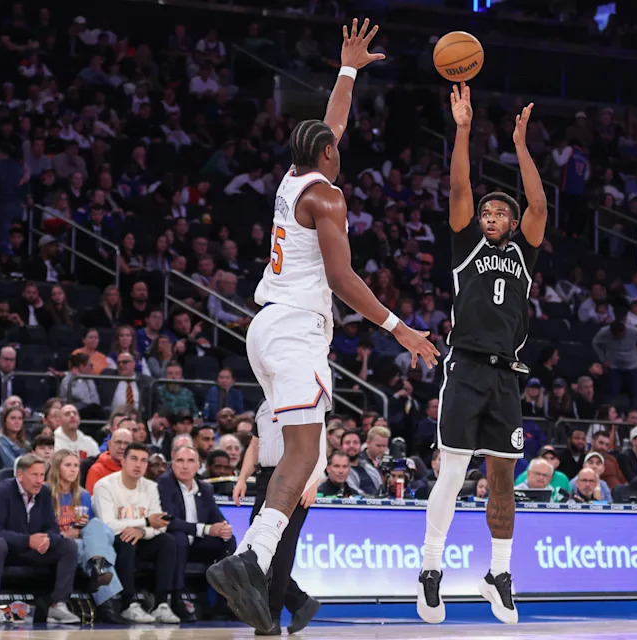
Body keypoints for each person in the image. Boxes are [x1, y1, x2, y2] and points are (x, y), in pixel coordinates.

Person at [207, 20, 437, 635]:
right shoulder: (327, 197)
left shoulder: (294, 179)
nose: (341, 144)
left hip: (266, 327)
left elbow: (330, 124)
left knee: (292, 457)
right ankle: (250, 560)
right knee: (307, 453)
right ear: (328, 156)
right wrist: (402, 329)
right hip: (297, 332)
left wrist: (348, 70)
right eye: (337, 144)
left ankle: (265, 579)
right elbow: (343, 278)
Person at [410, 78, 545, 625]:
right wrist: (463, 130)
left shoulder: (524, 254)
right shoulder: (466, 244)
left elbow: (538, 201)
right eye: (486, 211)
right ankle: (430, 568)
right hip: (464, 367)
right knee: (452, 472)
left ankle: (500, 573)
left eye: (498, 212)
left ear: (511, 225)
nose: (489, 215)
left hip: (507, 376)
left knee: (502, 481)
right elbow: (459, 186)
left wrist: (520, 147)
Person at [231, 400, 320, 634]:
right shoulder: (261, 405)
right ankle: (299, 601)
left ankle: (273, 614)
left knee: (281, 550)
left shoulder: (300, 396)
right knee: (260, 548)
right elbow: (254, 445)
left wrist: (313, 482)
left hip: (294, 479)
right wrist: (242, 478)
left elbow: (317, 442)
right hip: (265, 478)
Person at [0, 454, 81, 624]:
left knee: (68, 545)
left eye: (42, 475)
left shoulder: (44, 493)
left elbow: (52, 527)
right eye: (34, 475)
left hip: (29, 551)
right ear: (20, 475)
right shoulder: (2, 491)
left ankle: (58, 605)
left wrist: (48, 540)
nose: (39, 480)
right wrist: (28, 540)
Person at [92, 442, 181, 623]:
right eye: (133, 459)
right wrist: (145, 523)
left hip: (141, 540)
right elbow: (107, 525)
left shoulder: (150, 486)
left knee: (168, 541)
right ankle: (128, 604)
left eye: (143, 461)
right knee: (127, 539)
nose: (138, 465)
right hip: (112, 545)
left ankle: (161, 604)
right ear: (123, 461)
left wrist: (142, 531)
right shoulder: (105, 485)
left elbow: (161, 524)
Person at [158, 445, 236, 622]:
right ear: (172, 464)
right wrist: (206, 529)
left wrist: (224, 528)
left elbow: (218, 518)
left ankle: (225, 601)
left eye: (190, 461)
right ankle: (176, 597)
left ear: (198, 465)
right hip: (175, 542)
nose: (185, 466)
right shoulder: (164, 483)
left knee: (228, 542)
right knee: (178, 539)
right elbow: (169, 521)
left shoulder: (205, 488)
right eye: (180, 461)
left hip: (197, 544)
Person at [47, 450, 125, 623]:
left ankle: (98, 567)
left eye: (76, 465)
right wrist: (65, 533)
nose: (73, 469)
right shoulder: (46, 494)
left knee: (97, 526)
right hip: (58, 543)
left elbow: (89, 529)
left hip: (81, 540)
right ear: (56, 468)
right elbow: (40, 527)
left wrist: (80, 529)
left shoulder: (82, 495)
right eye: (68, 465)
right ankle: (108, 601)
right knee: (84, 545)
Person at [85, 426, 134, 493]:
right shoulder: (97, 470)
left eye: (126, 443)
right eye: (118, 442)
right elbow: (94, 500)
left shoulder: (137, 469)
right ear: (109, 444)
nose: (122, 447)